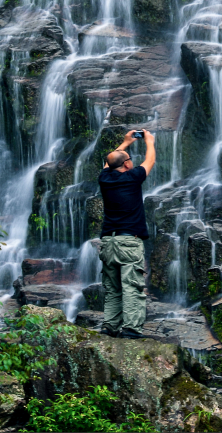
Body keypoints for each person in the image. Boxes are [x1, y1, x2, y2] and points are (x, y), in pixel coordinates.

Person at [97, 127, 155, 338]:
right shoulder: (133, 177)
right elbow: (149, 162)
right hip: (128, 242)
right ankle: (131, 329)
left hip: (107, 242)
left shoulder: (104, 179)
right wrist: (149, 141)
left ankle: (109, 327)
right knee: (132, 286)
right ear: (127, 164)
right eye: (129, 159)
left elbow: (109, 163)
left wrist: (125, 143)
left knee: (113, 288)